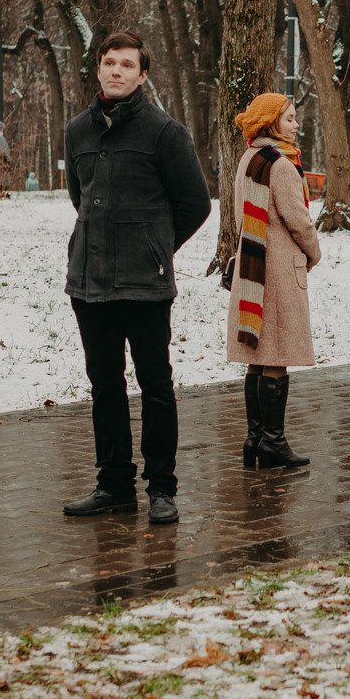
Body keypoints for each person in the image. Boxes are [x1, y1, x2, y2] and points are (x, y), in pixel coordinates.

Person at [62, 32, 212, 526]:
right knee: (104, 385)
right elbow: (79, 198)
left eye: (127, 65)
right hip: (90, 283)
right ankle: (114, 486)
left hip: (145, 285)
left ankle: (162, 489)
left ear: (142, 75)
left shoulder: (165, 133)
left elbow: (195, 204)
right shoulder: (77, 131)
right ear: (99, 69)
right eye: (109, 63)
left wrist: (154, 248)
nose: (116, 71)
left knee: (155, 385)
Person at [226, 93, 322, 468]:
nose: (296, 125)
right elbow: (299, 221)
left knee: (257, 357)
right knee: (276, 357)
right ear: (271, 123)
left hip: (253, 270)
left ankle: (255, 439)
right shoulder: (280, 165)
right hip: (278, 273)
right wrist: (314, 253)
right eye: (290, 119)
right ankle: (273, 443)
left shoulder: (249, 158)